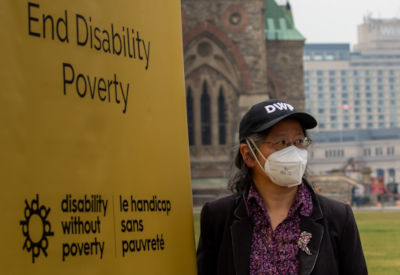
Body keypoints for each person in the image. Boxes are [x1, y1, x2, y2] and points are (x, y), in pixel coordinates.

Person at [196, 99, 367, 275]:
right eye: (282, 142)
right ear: (248, 155)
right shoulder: (218, 217)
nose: (293, 151)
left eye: (299, 141)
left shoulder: (338, 217)